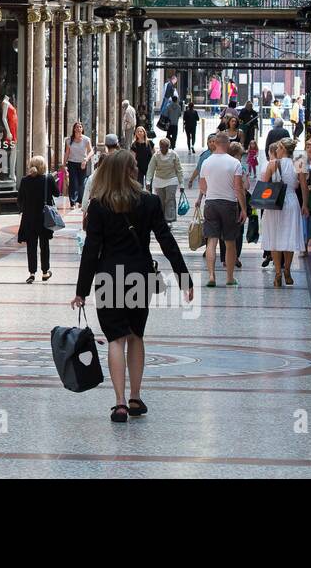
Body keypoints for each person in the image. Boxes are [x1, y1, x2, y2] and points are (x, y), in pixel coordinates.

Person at [73, 151, 193, 422]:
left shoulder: (98, 205)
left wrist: (81, 290)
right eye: (135, 166)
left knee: (116, 339)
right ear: (128, 171)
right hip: (139, 276)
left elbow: (91, 251)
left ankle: (119, 403)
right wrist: (184, 277)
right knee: (136, 335)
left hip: (108, 278)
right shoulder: (148, 202)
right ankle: (135, 397)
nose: (138, 169)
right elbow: (166, 241)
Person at [198, 133, 246, 287]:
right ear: (227, 144)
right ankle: (230, 278)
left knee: (211, 242)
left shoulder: (206, 162)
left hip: (211, 203)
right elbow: (239, 188)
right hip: (229, 204)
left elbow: (202, 186)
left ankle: (211, 276)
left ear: (216, 143)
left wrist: (211, 193)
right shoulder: (234, 163)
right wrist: (243, 208)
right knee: (230, 242)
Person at [260, 138, 305, 286]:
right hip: (292, 201)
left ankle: (278, 274)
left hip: (274, 203)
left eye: (278, 148)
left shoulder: (272, 164)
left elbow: (265, 184)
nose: (277, 150)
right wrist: (305, 204)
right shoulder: (299, 162)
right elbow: (303, 186)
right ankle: (287, 270)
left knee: (275, 238)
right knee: (289, 236)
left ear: (284, 149)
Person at [17, 155, 58, 283]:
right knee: (44, 245)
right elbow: (57, 193)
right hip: (44, 218)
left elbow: (19, 200)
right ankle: (45, 272)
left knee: (31, 246)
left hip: (29, 219)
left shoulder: (25, 180)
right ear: (43, 166)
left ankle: (32, 273)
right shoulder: (48, 179)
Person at [146, 137, 183, 222]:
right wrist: (148, 182)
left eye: (164, 147)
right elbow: (150, 169)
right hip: (159, 180)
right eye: (161, 146)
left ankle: (169, 219)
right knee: (161, 201)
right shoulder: (156, 156)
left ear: (168, 147)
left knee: (170, 200)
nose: (162, 149)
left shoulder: (174, 155)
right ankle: (161, 219)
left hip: (171, 180)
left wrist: (182, 184)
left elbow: (179, 170)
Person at [82, 133, 120, 205]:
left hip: (102, 201)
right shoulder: (121, 159)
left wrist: (84, 207)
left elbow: (89, 187)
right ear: (117, 144)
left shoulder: (104, 159)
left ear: (106, 145)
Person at [64, 121, 94, 210]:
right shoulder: (69, 140)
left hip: (82, 163)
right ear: (74, 129)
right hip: (72, 162)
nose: (78, 128)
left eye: (80, 127)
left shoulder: (86, 140)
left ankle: (81, 201)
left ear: (82, 129)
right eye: (77, 127)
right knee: (73, 182)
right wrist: (64, 164)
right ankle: (72, 202)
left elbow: (91, 151)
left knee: (82, 182)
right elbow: (67, 153)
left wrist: (86, 159)